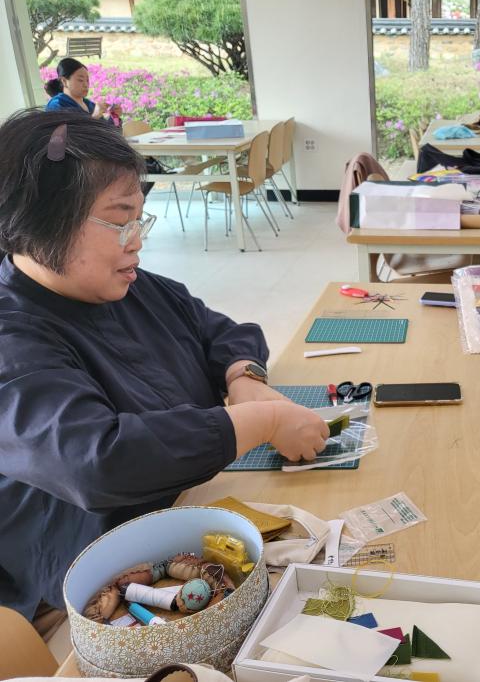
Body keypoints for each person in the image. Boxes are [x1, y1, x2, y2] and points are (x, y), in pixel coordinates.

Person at [0, 110, 329, 630]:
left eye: (140, 218)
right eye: (120, 221)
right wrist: (261, 421)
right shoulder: (13, 341)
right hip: (95, 591)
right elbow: (99, 460)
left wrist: (244, 379)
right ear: (43, 222)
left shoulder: (125, 286)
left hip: (189, 516)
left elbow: (219, 330)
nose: (137, 239)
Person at [44, 57, 121, 123]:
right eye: (80, 80)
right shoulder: (56, 105)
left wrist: (115, 117)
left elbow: (107, 132)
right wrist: (95, 117)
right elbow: (71, 133)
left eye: (87, 80)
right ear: (64, 81)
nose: (86, 84)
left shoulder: (90, 105)